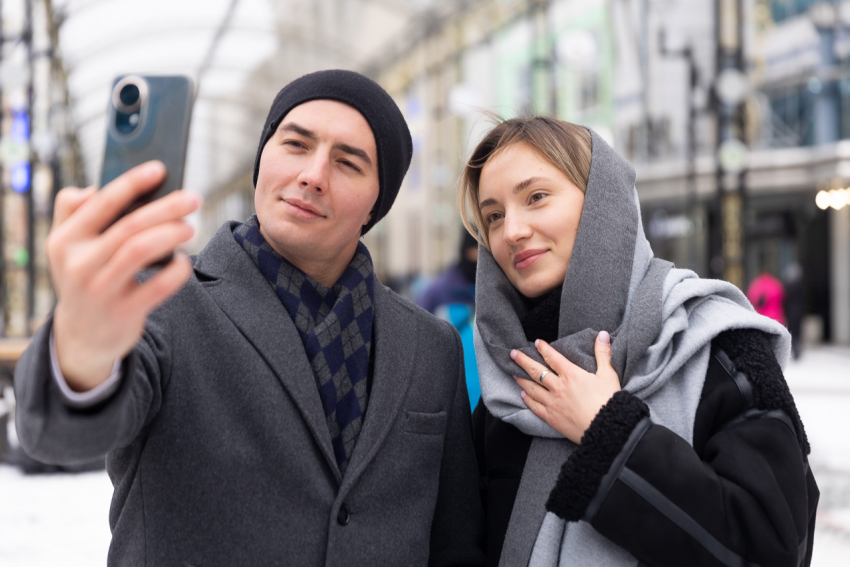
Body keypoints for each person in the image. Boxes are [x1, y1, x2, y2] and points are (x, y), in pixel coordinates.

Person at [14, 70, 485, 566]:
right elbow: (60, 435)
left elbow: (455, 542)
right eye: (296, 144)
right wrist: (82, 348)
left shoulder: (430, 346)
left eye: (348, 163)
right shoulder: (160, 300)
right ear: (262, 160)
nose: (313, 175)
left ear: (376, 204)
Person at [459, 116, 817, 566]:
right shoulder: (511, 378)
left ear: (602, 203)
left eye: (536, 197)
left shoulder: (718, 345)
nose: (511, 231)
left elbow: (774, 547)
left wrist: (610, 434)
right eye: (493, 216)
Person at [417, 230, 480, 406]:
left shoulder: (499, 291)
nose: (477, 257)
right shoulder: (437, 293)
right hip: (449, 399)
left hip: (487, 404)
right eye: (473, 251)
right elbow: (418, 345)